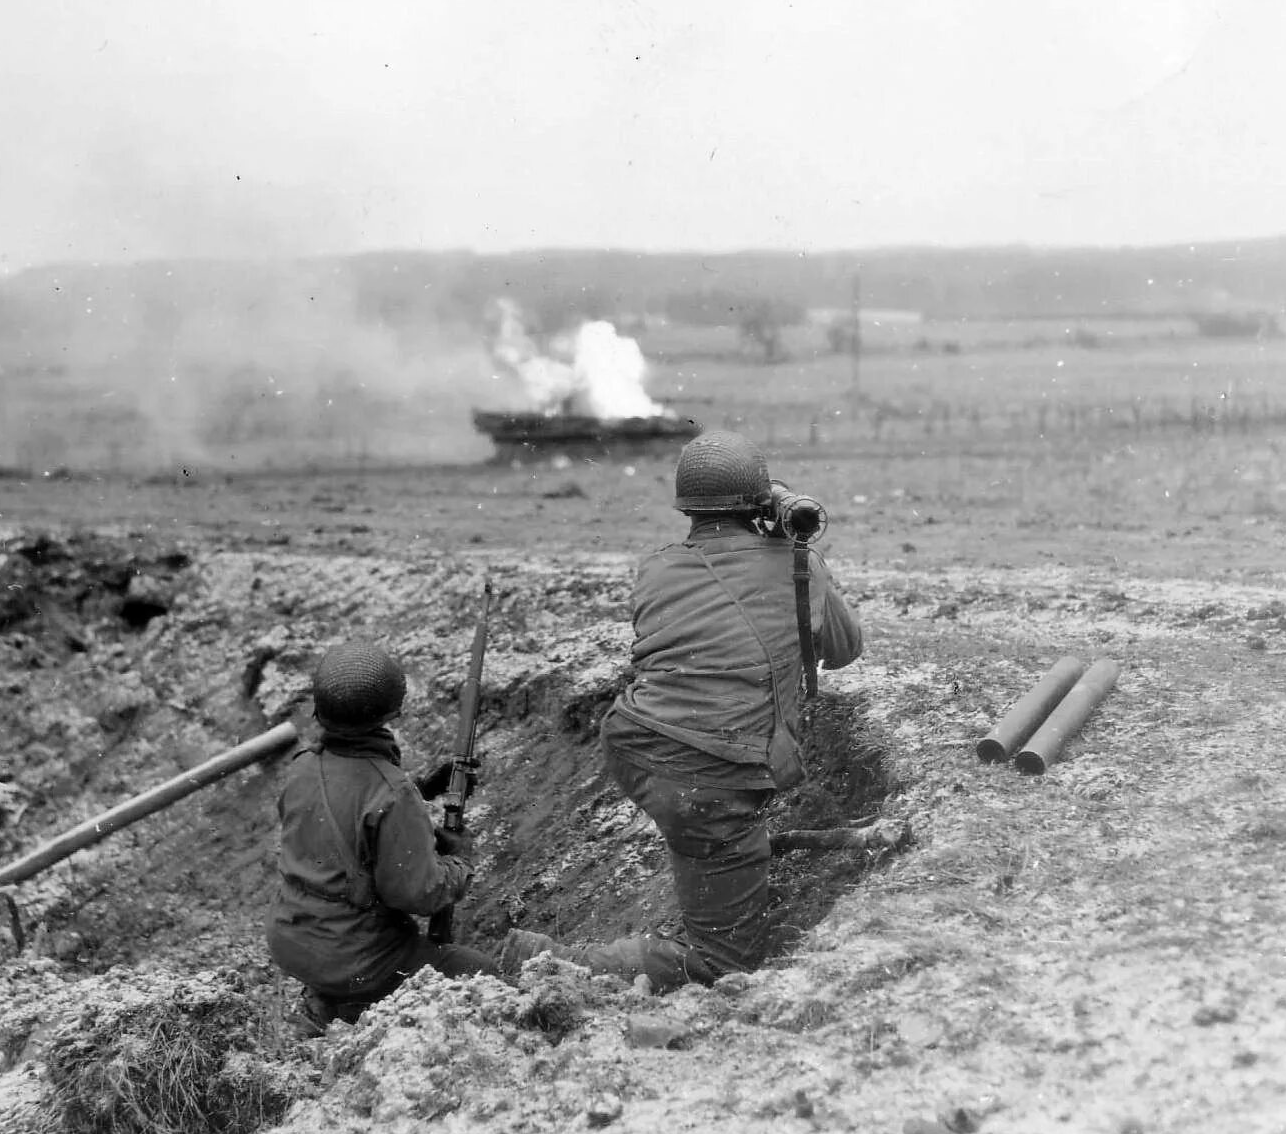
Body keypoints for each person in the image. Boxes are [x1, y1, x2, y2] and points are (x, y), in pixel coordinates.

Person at [502, 429, 864, 991]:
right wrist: (801, 556)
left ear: (686, 505)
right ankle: (550, 962)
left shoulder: (657, 567)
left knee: (704, 834)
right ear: (762, 501)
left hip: (637, 744)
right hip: (708, 776)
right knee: (723, 964)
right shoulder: (797, 568)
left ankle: (724, 865)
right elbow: (844, 649)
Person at [267, 638, 498, 1036]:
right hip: (358, 960)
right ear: (395, 710)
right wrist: (460, 862)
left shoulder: (303, 768)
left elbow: (345, 817)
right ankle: (356, 1004)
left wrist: (419, 790)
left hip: (293, 941)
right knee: (484, 977)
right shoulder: (391, 793)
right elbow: (419, 895)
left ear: (319, 710)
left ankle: (330, 998)